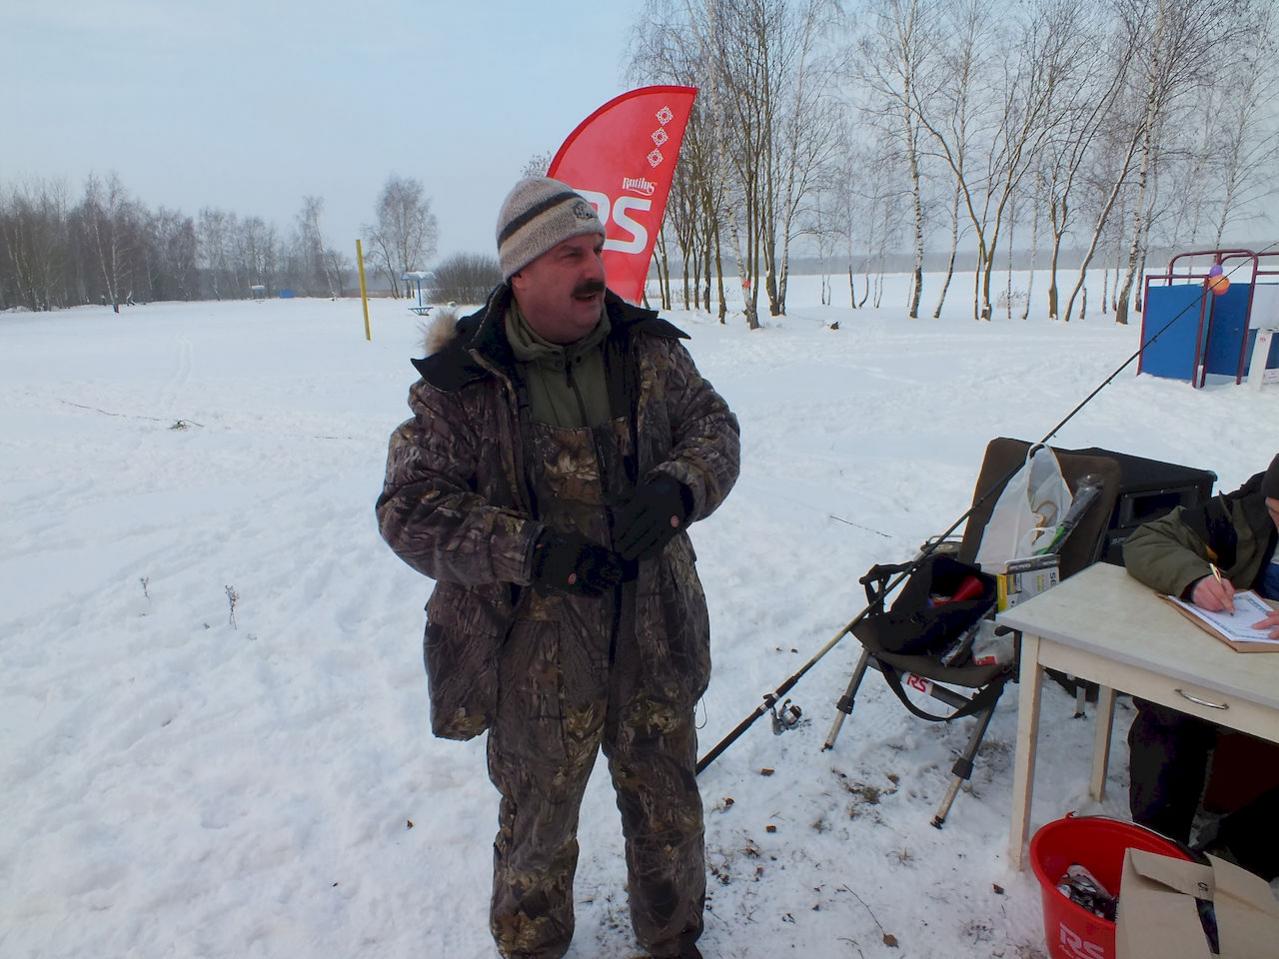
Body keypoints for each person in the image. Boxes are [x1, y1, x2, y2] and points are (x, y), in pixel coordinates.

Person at [376, 177, 740, 959]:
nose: (594, 268)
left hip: (652, 629)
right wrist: (530, 550)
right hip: (530, 653)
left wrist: (679, 488)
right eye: (571, 254)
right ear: (521, 273)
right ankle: (532, 947)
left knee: (667, 806)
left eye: (596, 249)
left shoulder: (647, 350)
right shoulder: (462, 385)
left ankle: (672, 938)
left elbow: (713, 427)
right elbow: (408, 509)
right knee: (536, 823)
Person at [1122, 453, 1279, 878]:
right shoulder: (1247, 509)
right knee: (1167, 707)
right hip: (1239, 662)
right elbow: (1147, 540)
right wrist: (1193, 578)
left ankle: (1229, 860)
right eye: (1276, 513)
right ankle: (1159, 857)